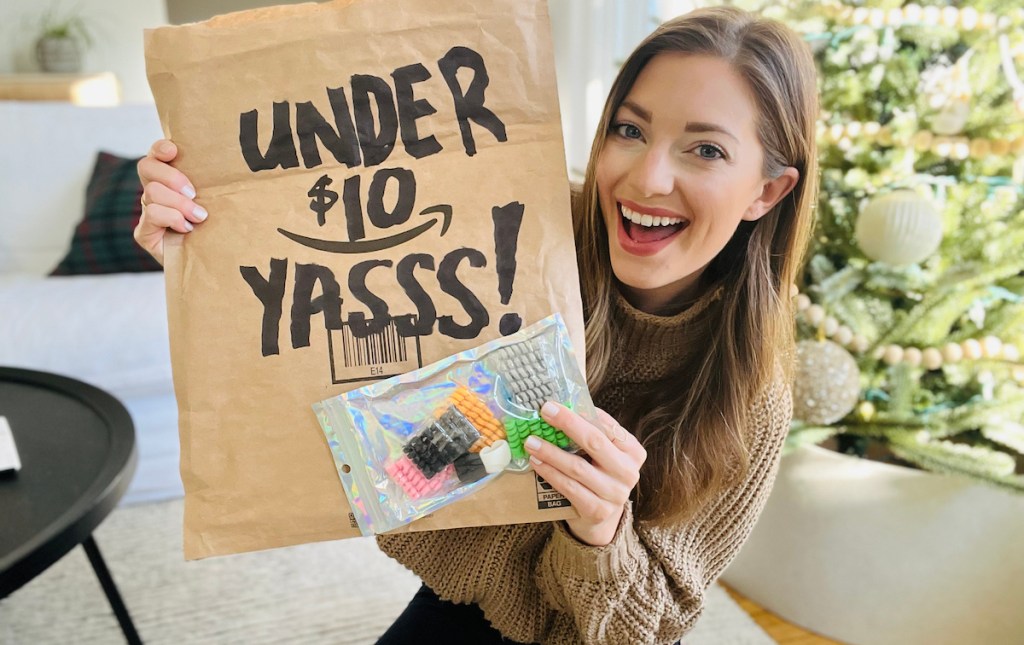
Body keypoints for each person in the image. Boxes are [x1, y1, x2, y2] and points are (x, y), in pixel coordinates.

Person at [135, 6, 819, 644]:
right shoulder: (520, 229)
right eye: (629, 130)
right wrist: (208, 243)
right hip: (456, 605)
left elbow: (645, 629)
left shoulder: (749, 397)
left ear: (767, 190)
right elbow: (384, 433)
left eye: (706, 151)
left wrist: (601, 532)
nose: (647, 179)